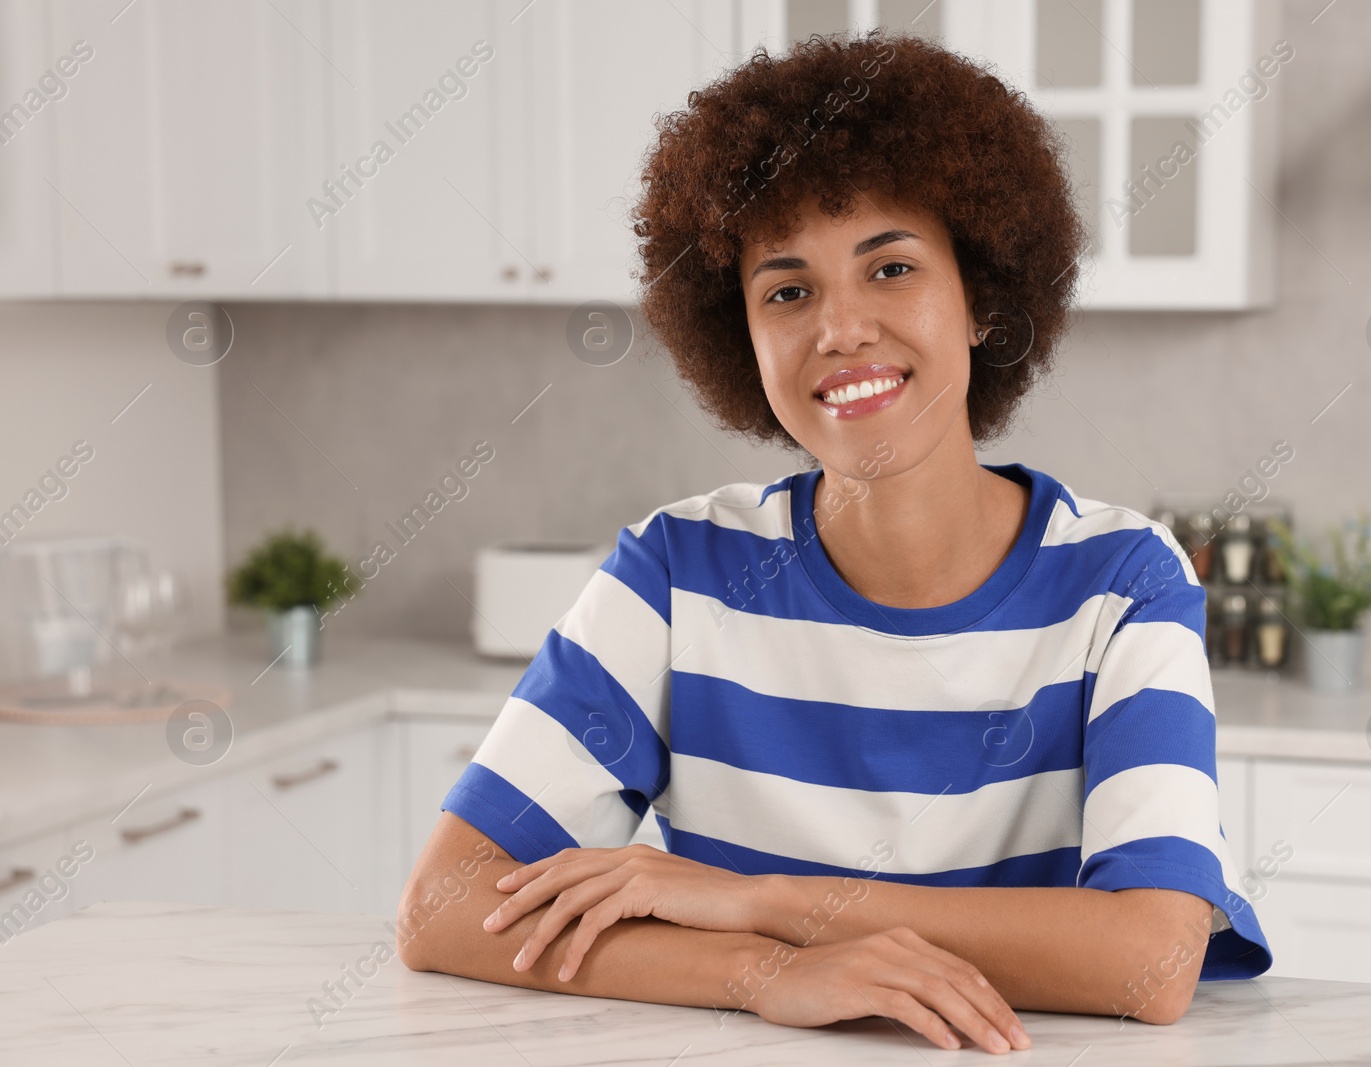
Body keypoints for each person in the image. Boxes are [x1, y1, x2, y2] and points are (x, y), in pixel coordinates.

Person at [397, 29, 1271, 1054]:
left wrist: (752, 898)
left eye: (889, 267)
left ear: (983, 300)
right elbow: (445, 908)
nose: (839, 329)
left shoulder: (1120, 581)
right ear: (741, 337)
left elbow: (1151, 959)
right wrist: (765, 971)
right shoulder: (677, 573)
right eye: (786, 290)